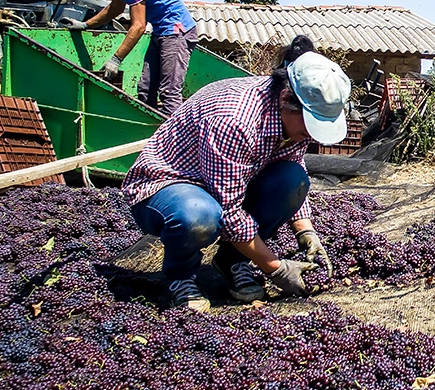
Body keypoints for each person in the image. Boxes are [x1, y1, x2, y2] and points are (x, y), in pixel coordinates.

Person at [121, 38, 350, 312]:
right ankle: (180, 277)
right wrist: (276, 269)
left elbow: (292, 165)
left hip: (224, 184)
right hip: (168, 186)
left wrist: (306, 230)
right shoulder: (235, 121)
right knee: (199, 215)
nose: (313, 135)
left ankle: (231, 260)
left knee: (293, 180)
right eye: (312, 123)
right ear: (287, 99)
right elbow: (229, 211)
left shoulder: (292, 118)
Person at [61, 0, 199, 117]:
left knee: (168, 92)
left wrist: (116, 59)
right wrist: (85, 25)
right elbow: (115, 9)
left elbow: (139, 26)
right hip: (161, 32)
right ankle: (148, 137)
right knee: (145, 90)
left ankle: (175, 143)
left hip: (176, 32)